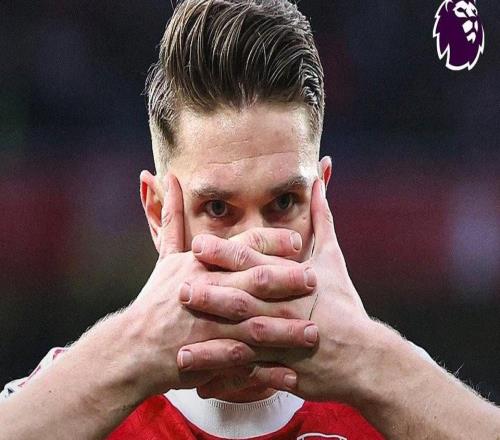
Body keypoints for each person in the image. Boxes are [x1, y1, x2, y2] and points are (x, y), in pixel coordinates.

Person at [1, 1, 500, 439]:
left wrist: (372, 362)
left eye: (283, 202)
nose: (255, 247)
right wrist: (131, 351)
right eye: (219, 209)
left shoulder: (402, 393)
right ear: (157, 212)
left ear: (321, 199)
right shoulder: (64, 399)